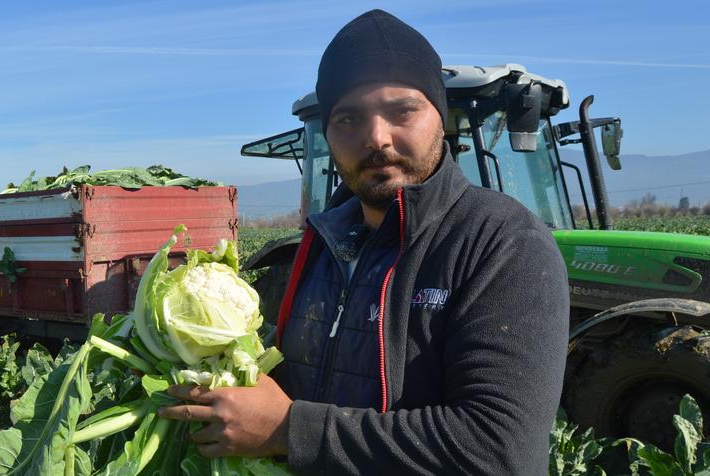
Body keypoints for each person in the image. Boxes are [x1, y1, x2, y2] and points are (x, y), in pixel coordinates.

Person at [158, 9, 569, 474]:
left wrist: (289, 430)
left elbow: (501, 452)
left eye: (402, 111)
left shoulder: (502, 244)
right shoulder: (323, 242)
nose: (376, 138)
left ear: (440, 118)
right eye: (349, 118)